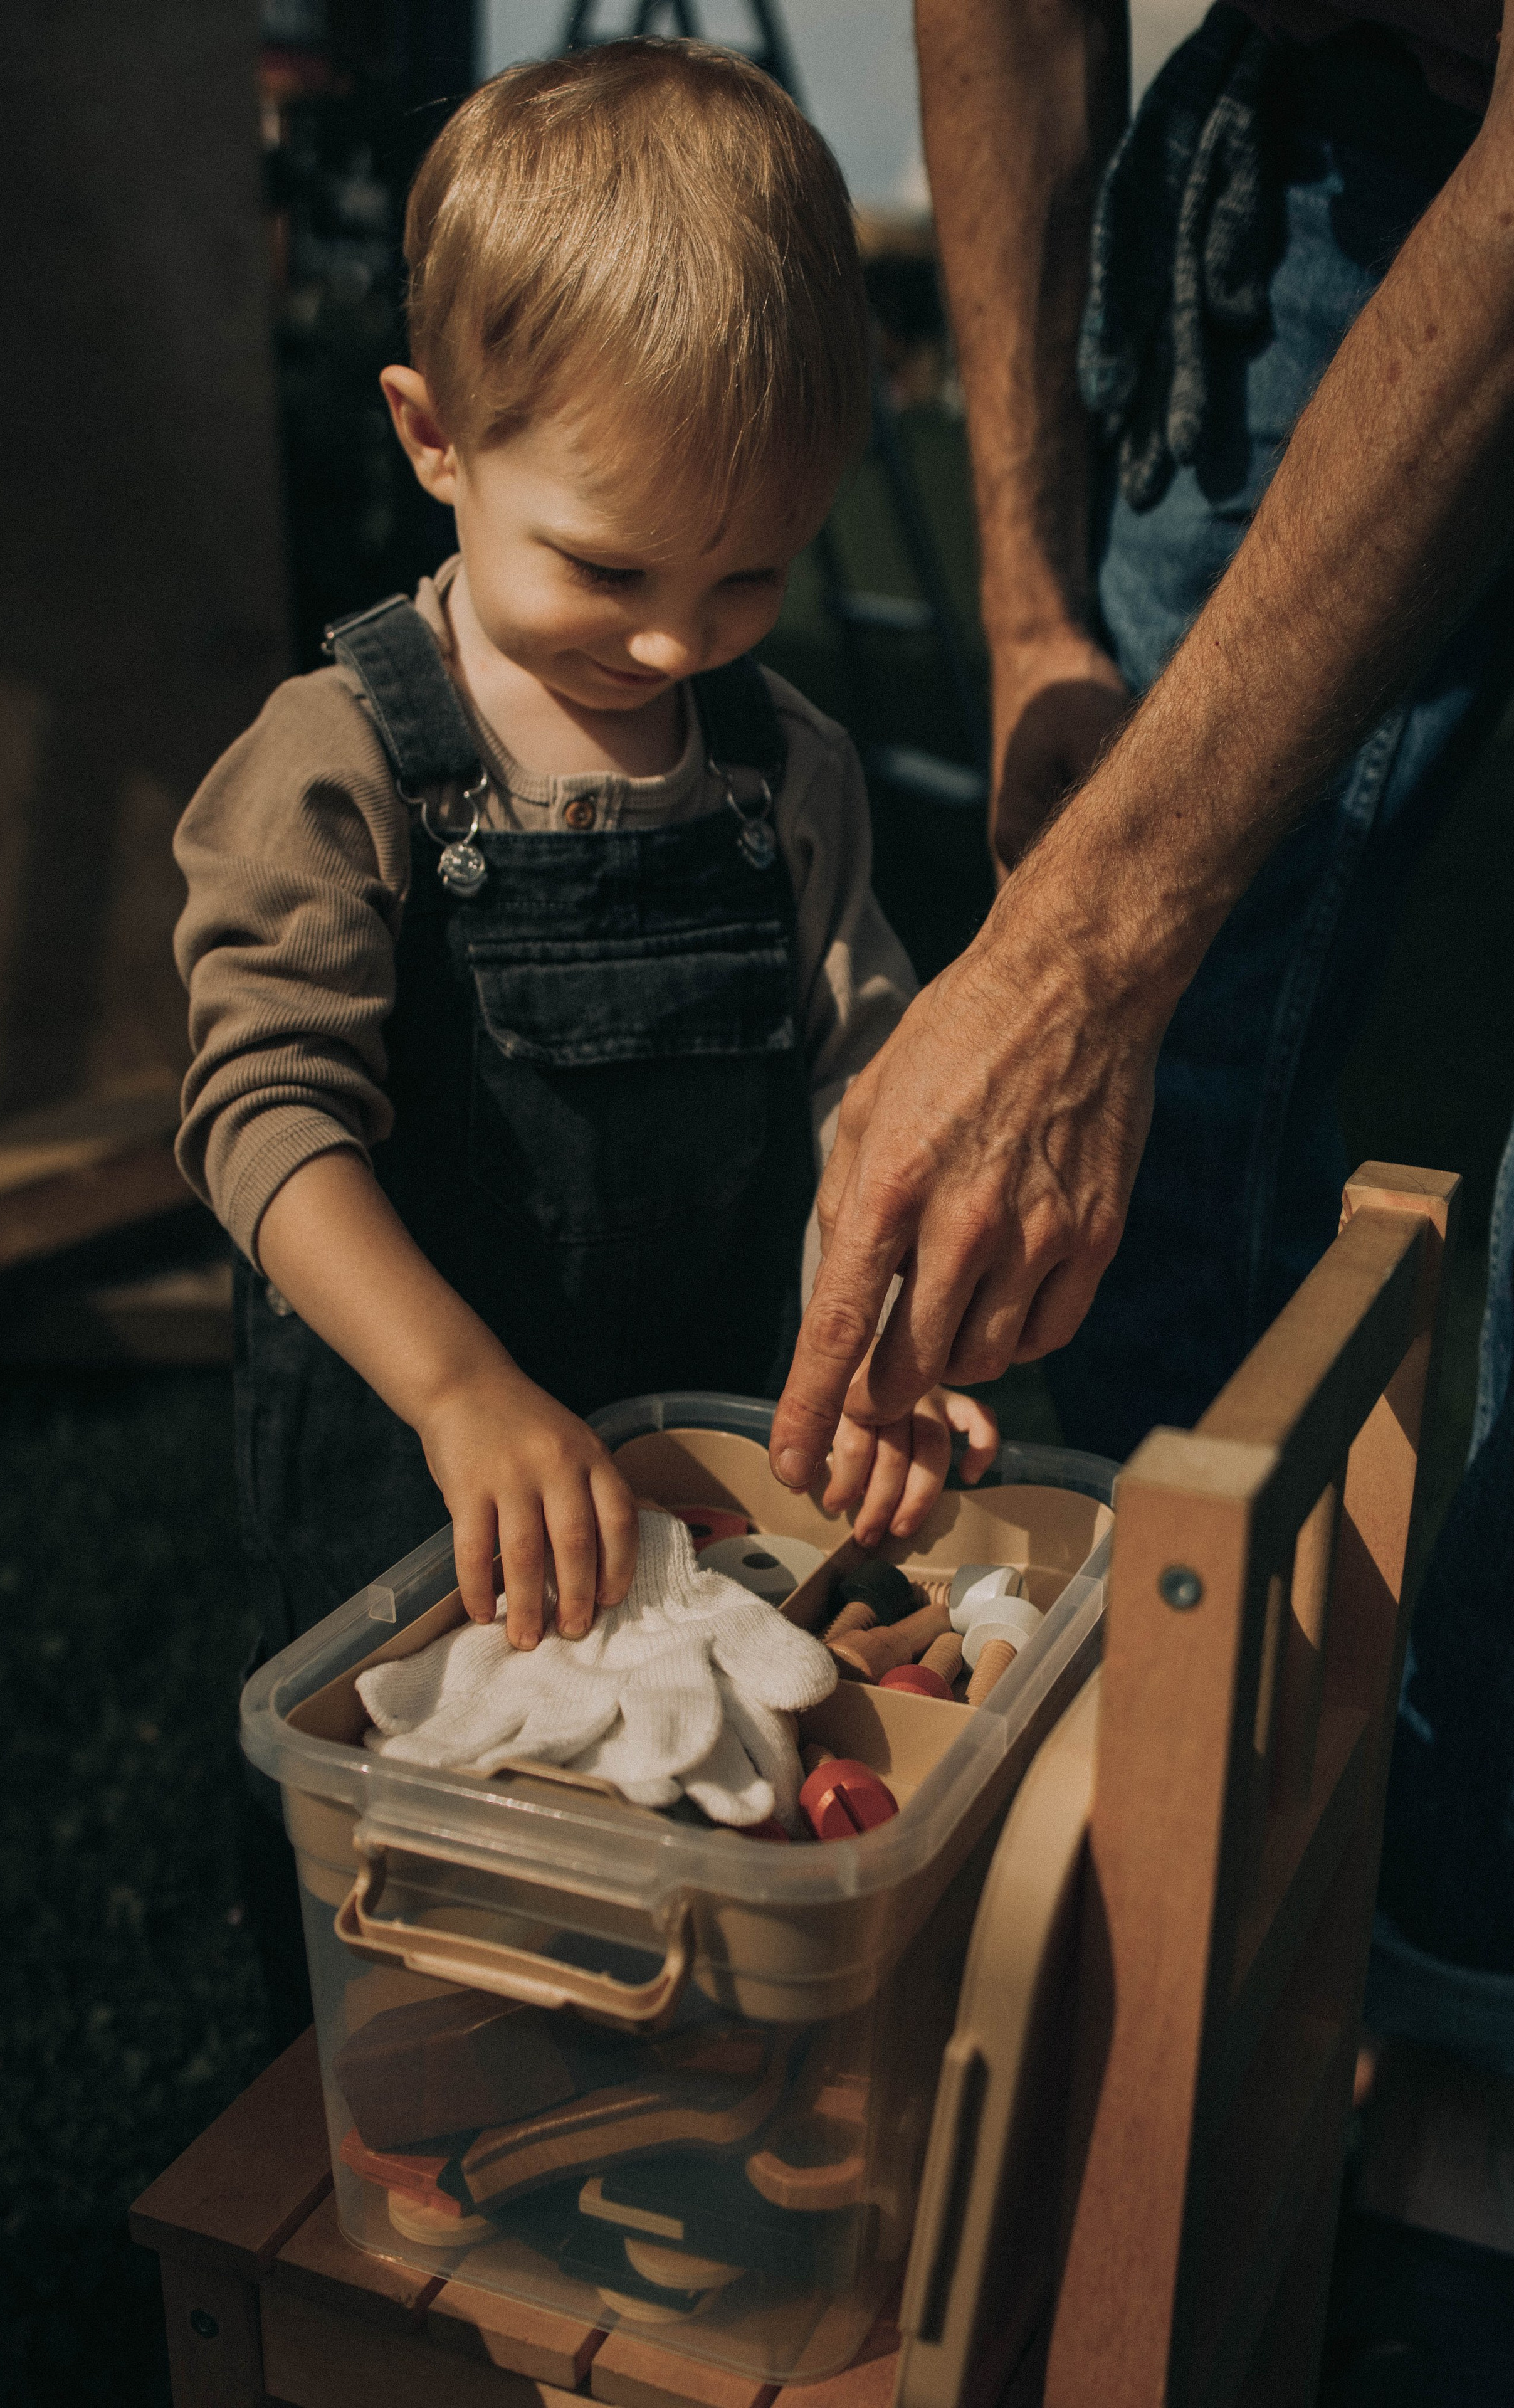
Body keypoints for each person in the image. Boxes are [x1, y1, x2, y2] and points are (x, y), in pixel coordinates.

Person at [769, 4, 1514, 2038]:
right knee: (1148, 1141)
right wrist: (1029, 617)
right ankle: (1073, 1928)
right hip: (1335, 148)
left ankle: (1459, 2017)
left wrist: (1091, 951)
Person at [173, 38, 995, 1683]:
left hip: (703, 1484)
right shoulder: (341, 769)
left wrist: (887, 1319)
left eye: (751, 577)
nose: (679, 639)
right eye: (609, 566)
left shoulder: (785, 772)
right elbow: (263, 1114)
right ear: (436, 439)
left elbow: (865, 1085)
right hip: (410, 1491)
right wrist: (460, 1388)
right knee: (414, 1886)